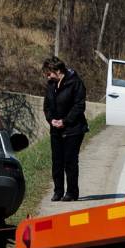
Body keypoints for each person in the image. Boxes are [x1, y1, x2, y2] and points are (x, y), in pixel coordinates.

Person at [42, 56, 88, 202]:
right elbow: (47, 106)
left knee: (70, 161)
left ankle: (72, 192)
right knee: (57, 162)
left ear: (58, 70)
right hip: (56, 129)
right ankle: (58, 191)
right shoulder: (51, 85)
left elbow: (79, 106)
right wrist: (51, 120)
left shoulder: (75, 82)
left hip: (73, 129)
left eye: (49, 73)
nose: (47, 76)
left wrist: (65, 121)